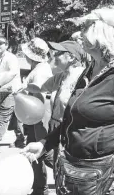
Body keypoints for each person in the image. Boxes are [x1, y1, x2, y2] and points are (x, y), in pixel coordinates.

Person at [22, 8, 114, 195]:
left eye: (86, 27)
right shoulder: (90, 70)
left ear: (101, 33)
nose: (80, 34)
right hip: (74, 174)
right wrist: (44, 143)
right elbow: (72, 118)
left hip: (106, 177)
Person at [26, 40, 87, 170]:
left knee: (69, 167)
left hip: (72, 129)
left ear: (71, 57)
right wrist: (22, 88)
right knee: (58, 166)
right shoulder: (61, 76)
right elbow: (40, 88)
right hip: (57, 127)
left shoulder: (83, 77)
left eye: (59, 52)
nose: (54, 55)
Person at [19, 37, 53, 195]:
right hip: (36, 115)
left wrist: (24, 89)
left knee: (44, 152)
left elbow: (39, 91)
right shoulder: (41, 67)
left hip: (39, 115)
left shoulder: (40, 70)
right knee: (36, 149)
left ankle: (41, 188)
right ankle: (40, 187)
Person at [0, 36, 22, 144]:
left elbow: (12, 73)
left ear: (6, 45)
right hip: (1, 90)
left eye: (0, 43)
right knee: (13, 116)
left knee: (4, 115)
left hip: (11, 90)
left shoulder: (11, 58)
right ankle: (20, 138)